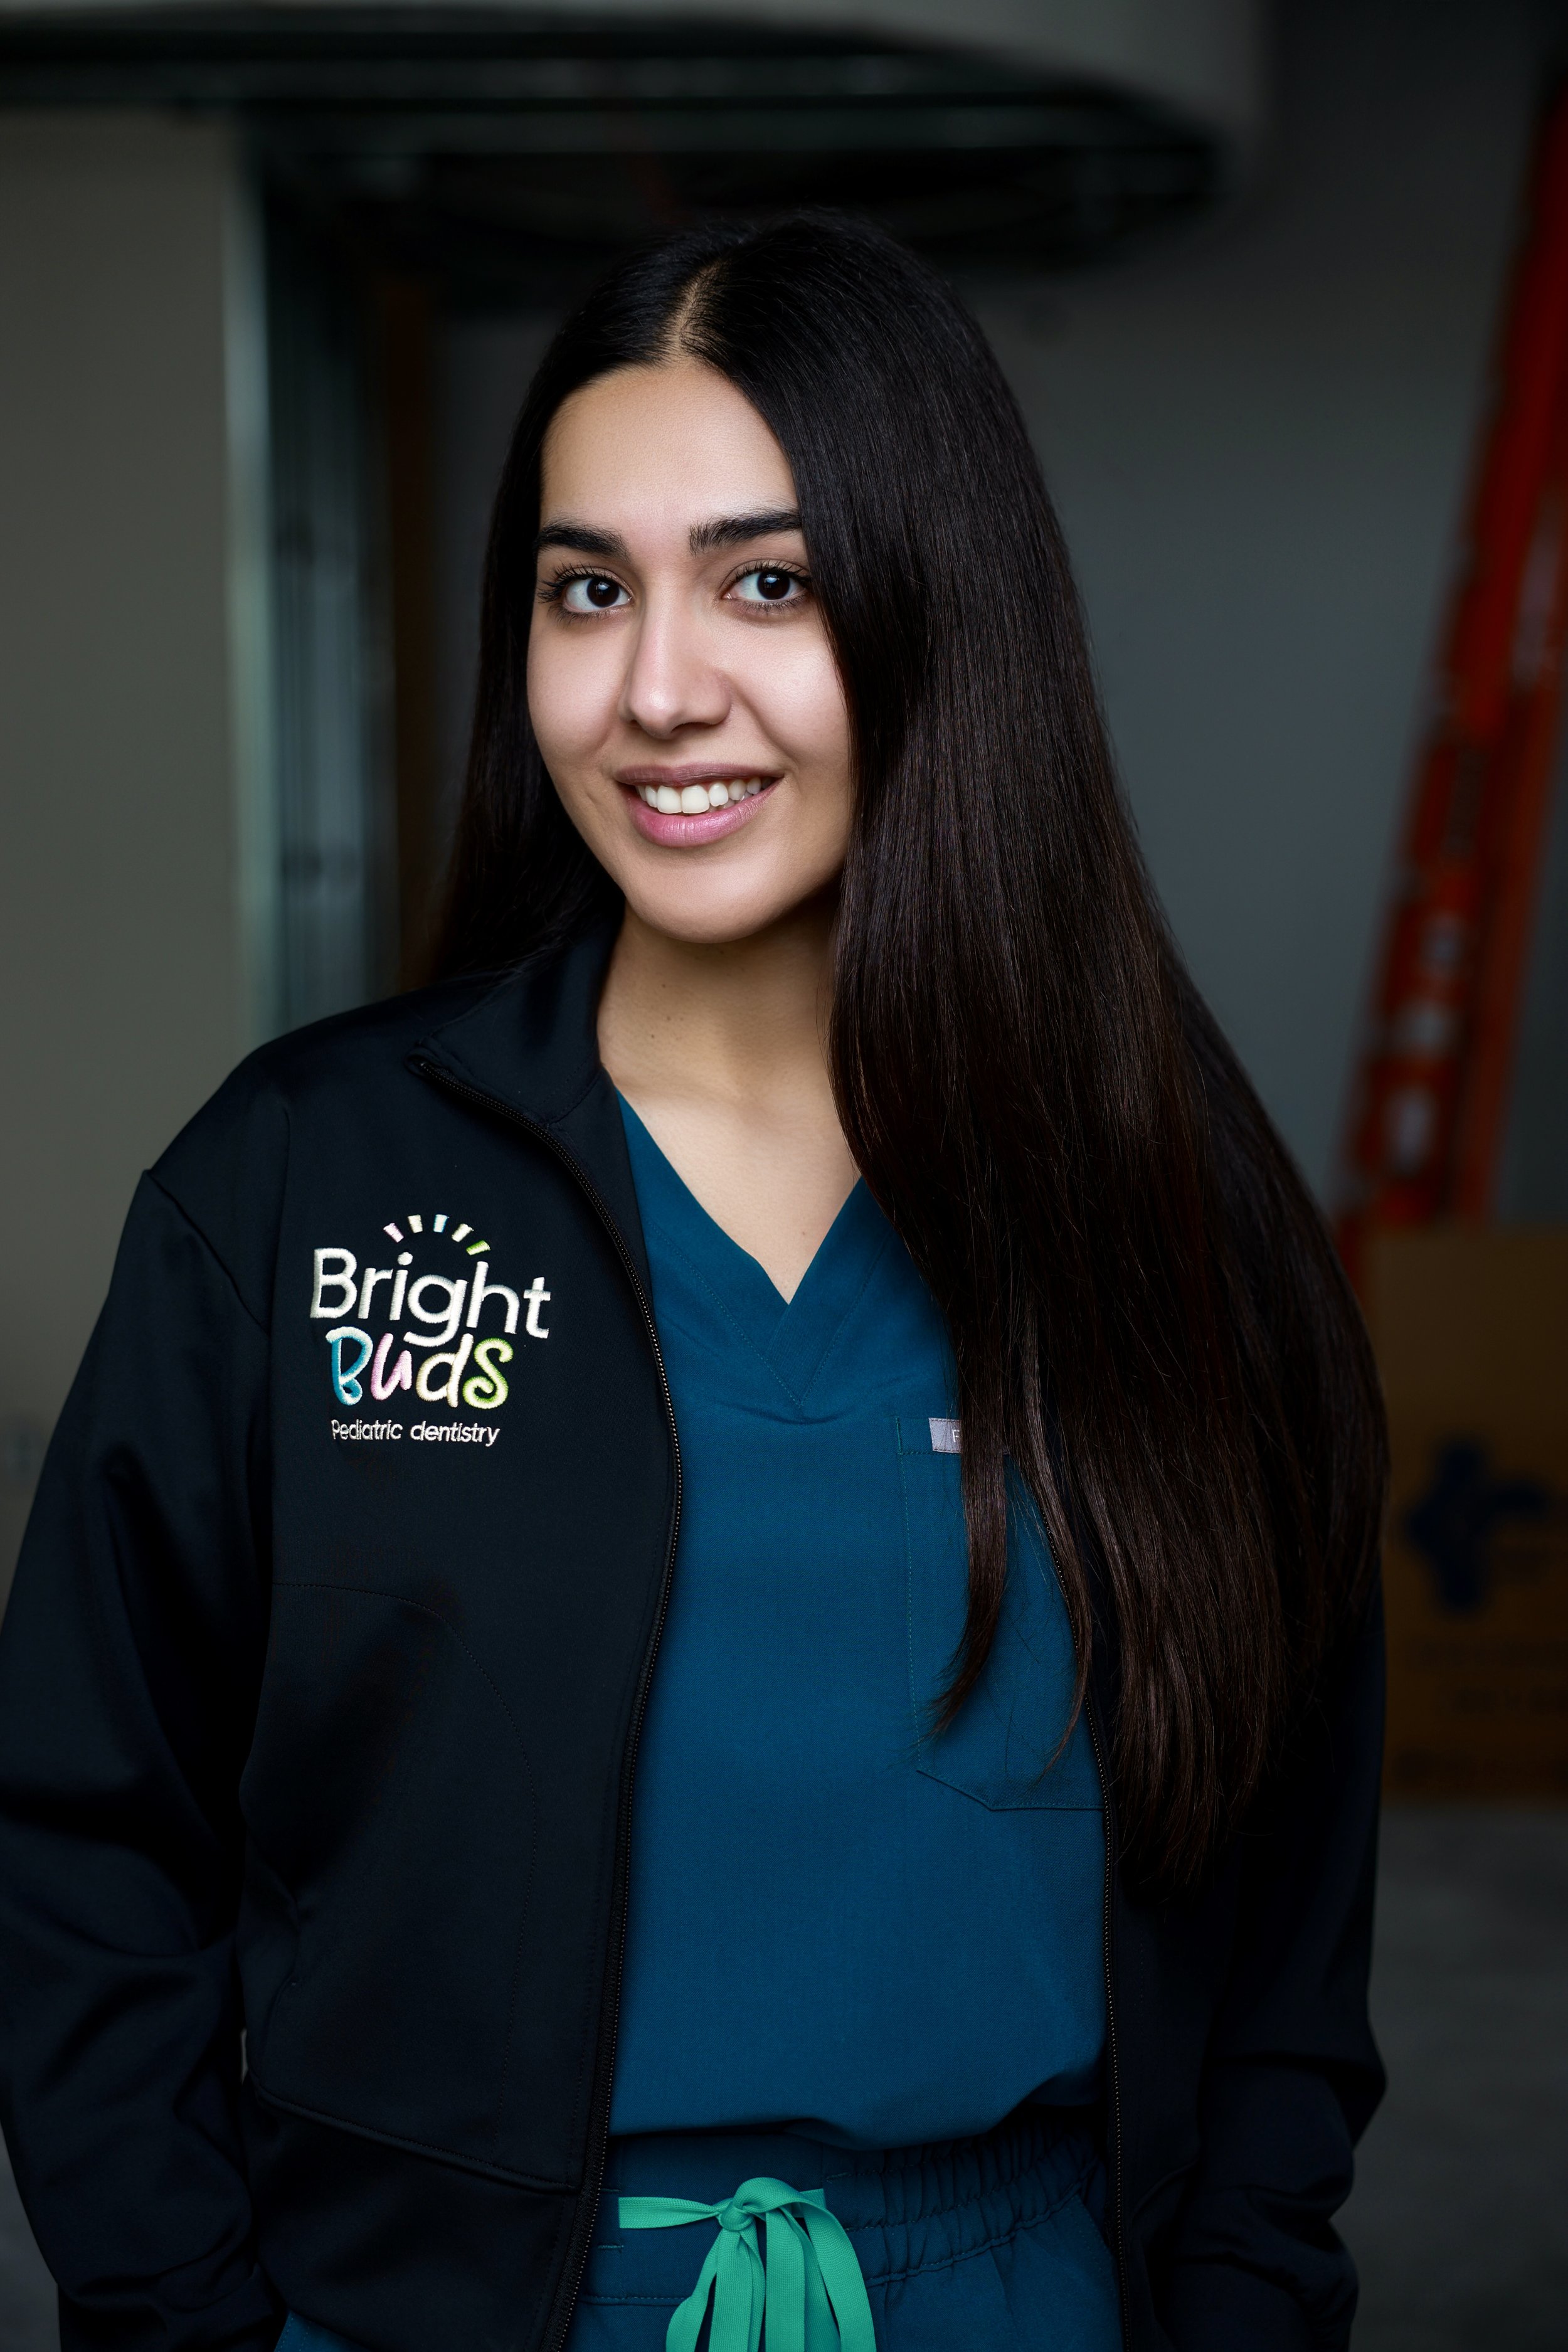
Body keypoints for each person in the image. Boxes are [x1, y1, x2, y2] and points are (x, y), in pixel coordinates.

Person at [0, 213, 1387, 2352]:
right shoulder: (304, 1185)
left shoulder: (1167, 1221)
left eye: (767, 580)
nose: (657, 687)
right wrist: (180, 2317)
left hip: (1017, 2303)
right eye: (586, 588)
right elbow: (86, 1831)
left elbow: (1286, 1917)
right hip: (427, 2313)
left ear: (946, 616)